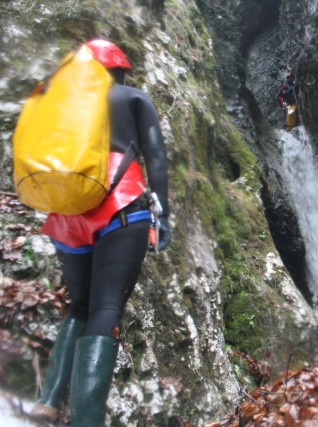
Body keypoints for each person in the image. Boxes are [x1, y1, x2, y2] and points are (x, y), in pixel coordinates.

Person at [29, 39, 171, 426]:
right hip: (121, 205)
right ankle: (86, 421)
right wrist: (164, 213)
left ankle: (49, 400)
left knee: (79, 305)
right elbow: (156, 157)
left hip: (67, 211)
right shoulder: (133, 98)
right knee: (106, 308)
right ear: (120, 70)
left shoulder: (61, 101)